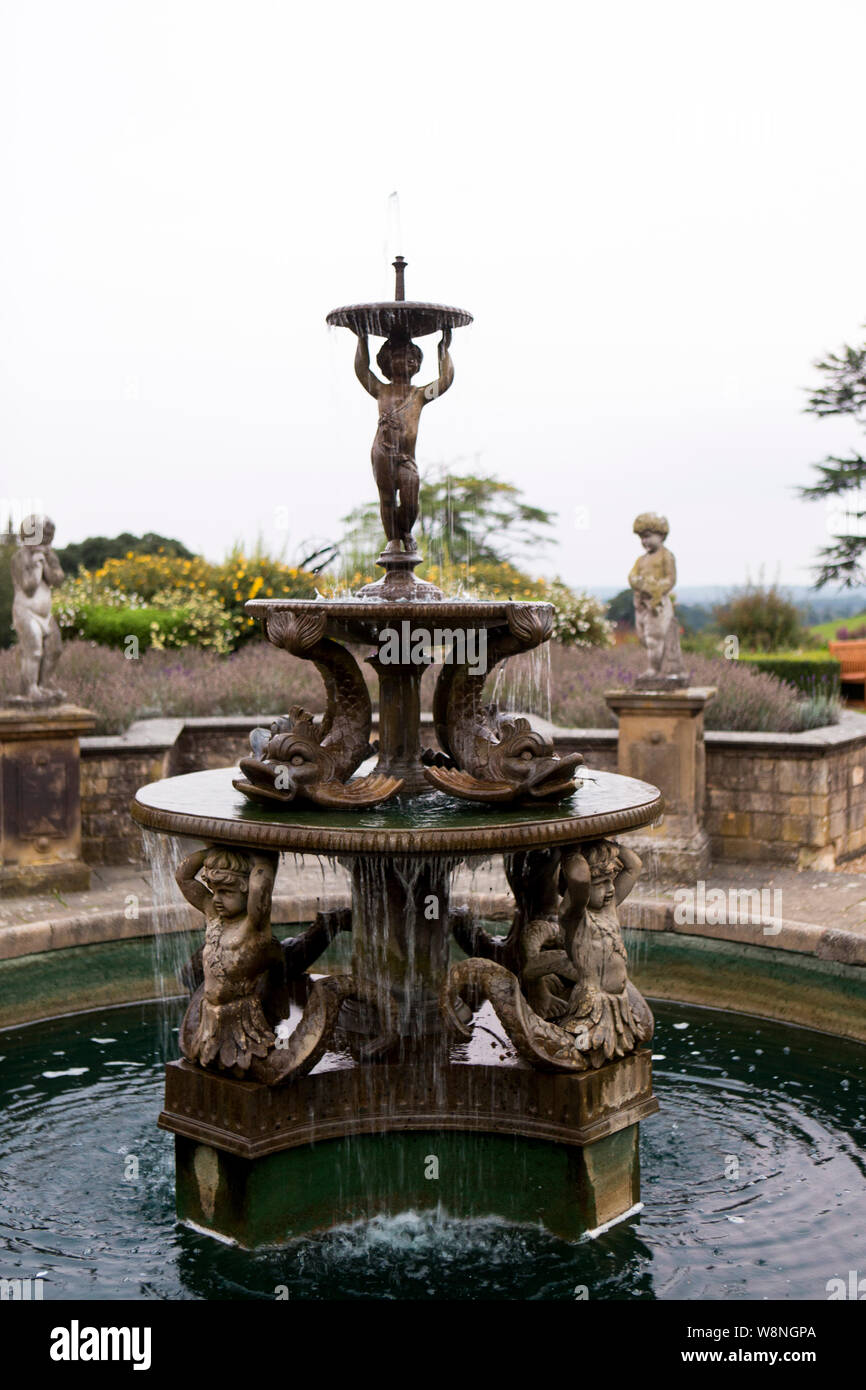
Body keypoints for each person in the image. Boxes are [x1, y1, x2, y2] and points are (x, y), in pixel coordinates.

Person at [175, 846, 283, 1072]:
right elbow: (183, 877)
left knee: (248, 1070)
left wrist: (262, 856)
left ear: (245, 891)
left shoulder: (254, 925)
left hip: (241, 1020)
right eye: (213, 891)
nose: (216, 899)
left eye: (226, 892)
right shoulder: (213, 915)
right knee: (207, 1066)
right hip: (210, 1018)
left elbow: (260, 884)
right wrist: (212, 852)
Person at [353, 327, 453, 553]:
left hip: (407, 457)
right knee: (387, 498)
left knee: (410, 500)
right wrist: (362, 339)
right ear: (387, 362)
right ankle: (393, 541)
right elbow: (361, 370)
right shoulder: (380, 390)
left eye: (413, 357)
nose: (408, 361)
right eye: (400, 356)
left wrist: (443, 348)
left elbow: (446, 379)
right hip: (383, 451)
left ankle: (405, 530)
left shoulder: (420, 394)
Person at [11, 515, 65, 700]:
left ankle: (43, 686)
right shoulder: (20, 557)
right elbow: (29, 586)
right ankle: (30, 688)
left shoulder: (50, 555)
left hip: (45, 613)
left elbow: (58, 579)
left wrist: (46, 563)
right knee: (33, 650)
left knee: (55, 648)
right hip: (26, 611)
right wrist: (37, 565)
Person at [628, 512, 686, 683]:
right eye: (641, 538)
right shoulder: (641, 559)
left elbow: (670, 579)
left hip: (657, 605)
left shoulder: (666, 556)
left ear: (661, 535)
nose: (644, 542)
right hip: (641, 605)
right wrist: (639, 584)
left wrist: (656, 589)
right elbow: (632, 577)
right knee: (643, 637)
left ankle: (655, 669)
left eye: (647, 536)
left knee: (654, 637)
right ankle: (656, 666)